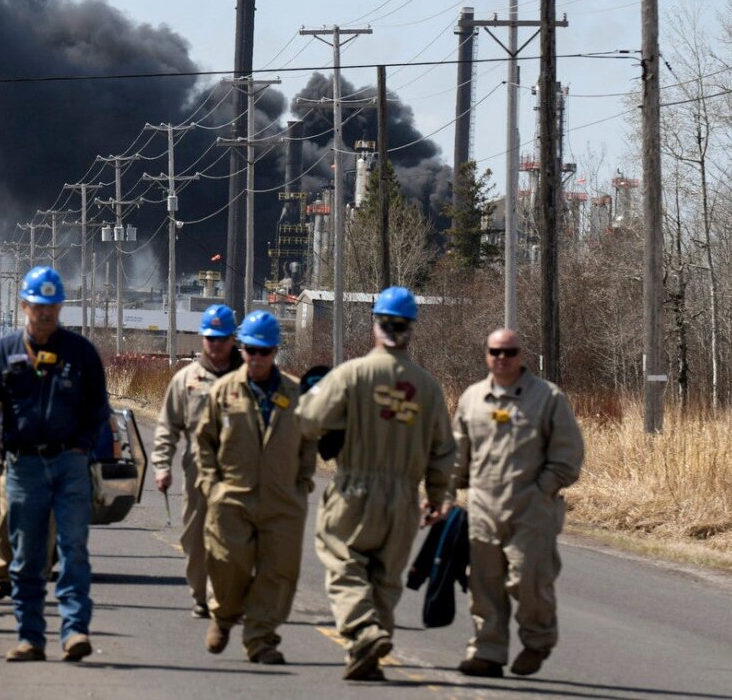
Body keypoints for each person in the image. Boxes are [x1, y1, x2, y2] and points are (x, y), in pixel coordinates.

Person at [295, 286, 457, 682]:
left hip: (355, 491)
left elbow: (308, 419)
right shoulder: (428, 388)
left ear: (376, 325)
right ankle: (369, 653)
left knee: (344, 564)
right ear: (410, 329)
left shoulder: (352, 375)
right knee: (385, 577)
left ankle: (364, 631)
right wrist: (437, 499)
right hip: (404, 497)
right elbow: (443, 451)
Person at [0, 266, 110, 664]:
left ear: (61, 306)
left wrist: (82, 446)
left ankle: (75, 631)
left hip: (69, 464)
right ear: (24, 306)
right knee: (28, 556)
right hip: (24, 466)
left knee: (73, 550)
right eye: (37, 306)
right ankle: (30, 636)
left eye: (51, 306)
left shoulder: (80, 352)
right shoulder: (5, 350)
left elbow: (97, 407)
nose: (45, 314)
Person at [453, 328, 585, 679]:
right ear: (486, 354)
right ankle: (487, 651)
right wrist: (445, 494)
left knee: (528, 581)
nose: (502, 358)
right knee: (483, 584)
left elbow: (568, 456)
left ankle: (538, 640)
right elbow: (457, 455)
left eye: (509, 352)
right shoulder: (472, 398)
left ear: (520, 355)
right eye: (495, 351)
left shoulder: (547, 398)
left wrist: (543, 489)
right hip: (482, 508)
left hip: (531, 509)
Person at [194, 310, 316, 665]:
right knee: (227, 564)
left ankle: (261, 638)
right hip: (231, 496)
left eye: (265, 351)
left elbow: (309, 441)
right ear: (242, 348)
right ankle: (224, 614)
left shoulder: (295, 393)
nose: (258, 358)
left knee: (277, 572)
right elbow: (204, 441)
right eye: (251, 350)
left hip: (282, 500)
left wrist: (303, 482)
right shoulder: (223, 392)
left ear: (276, 350)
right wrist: (210, 484)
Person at [150, 303, 241, 616]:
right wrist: (162, 465)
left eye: (222, 339)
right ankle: (200, 595)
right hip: (197, 470)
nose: (215, 345)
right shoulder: (187, 379)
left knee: (231, 540)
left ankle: (222, 598)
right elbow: (167, 426)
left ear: (233, 339)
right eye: (210, 338)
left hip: (238, 472)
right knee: (194, 538)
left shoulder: (248, 380)